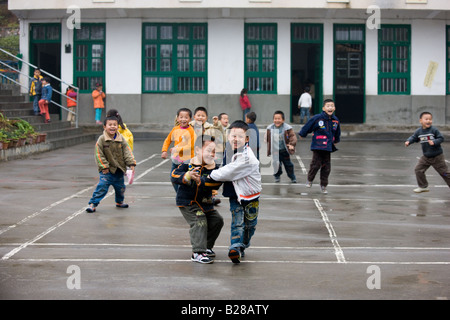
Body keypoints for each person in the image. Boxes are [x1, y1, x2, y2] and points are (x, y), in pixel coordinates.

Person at [209, 120, 262, 264]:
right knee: (237, 223)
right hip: (235, 195)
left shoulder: (247, 157)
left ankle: (243, 245)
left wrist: (210, 176)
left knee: (250, 225)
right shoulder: (228, 151)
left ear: (246, 139)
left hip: (251, 196)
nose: (235, 139)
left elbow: (228, 171)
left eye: (239, 136)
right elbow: (223, 168)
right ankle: (235, 248)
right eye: (232, 136)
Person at [171, 134, 223, 264]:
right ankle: (198, 252)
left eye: (214, 152)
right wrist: (187, 176)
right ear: (198, 150)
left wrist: (202, 180)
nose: (212, 154)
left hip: (205, 203)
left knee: (217, 220)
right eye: (208, 151)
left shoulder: (214, 168)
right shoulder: (188, 165)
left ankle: (206, 246)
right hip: (188, 202)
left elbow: (217, 182)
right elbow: (174, 175)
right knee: (199, 219)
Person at [86, 116, 136, 213]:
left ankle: (119, 202)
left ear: (118, 126)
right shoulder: (101, 139)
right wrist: (104, 166)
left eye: (114, 125)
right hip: (107, 171)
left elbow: (127, 151)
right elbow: (98, 154)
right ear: (104, 127)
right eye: (110, 125)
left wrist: (131, 163)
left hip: (119, 170)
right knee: (102, 187)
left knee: (120, 188)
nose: (112, 127)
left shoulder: (121, 139)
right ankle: (93, 204)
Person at [299, 99, 341, 194]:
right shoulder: (318, 118)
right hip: (317, 146)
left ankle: (324, 185)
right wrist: (302, 133)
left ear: (334, 108)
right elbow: (308, 126)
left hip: (328, 147)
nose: (330, 108)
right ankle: (310, 180)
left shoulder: (335, 120)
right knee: (315, 164)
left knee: (326, 167)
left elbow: (337, 132)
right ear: (323, 108)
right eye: (328, 106)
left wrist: (336, 140)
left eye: (332, 106)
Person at [405, 111, 450, 193]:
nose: (428, 121)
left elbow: (441, 138)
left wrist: (434, 142)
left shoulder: (434, 130)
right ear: (421, 121)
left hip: (437, 157)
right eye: (426, 119)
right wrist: (408, 141)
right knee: (418, 170)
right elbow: (414, 137)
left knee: (445, 174)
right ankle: (423, 186)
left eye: (430, 119)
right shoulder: (419, 131)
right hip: (426, 157)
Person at [162, 107, 195, 192]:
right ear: (177, 118)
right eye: (181, 117)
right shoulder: (175, 129)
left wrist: (177, 149)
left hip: (187, 160)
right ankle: (180, 195)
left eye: (186, 117)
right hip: (176, 159)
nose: (183, 119)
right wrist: (164, 151)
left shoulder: (191, 131)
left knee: (186, 179)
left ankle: (186, 196)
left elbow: (191, 146)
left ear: (190, 119)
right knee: (173, 178)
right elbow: (168, 140)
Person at [266, 110, 297, 183]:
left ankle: (292, 176)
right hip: (275, 151)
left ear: (283, 120)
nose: (277, 120)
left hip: (284, 150)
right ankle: (277, 176)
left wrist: (292, 144)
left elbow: (293, 137)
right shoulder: (270, 128)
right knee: (276, 164)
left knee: (288, 165)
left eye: (279, 119)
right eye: (275, 119)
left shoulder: (287, 128)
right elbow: (267, 138)